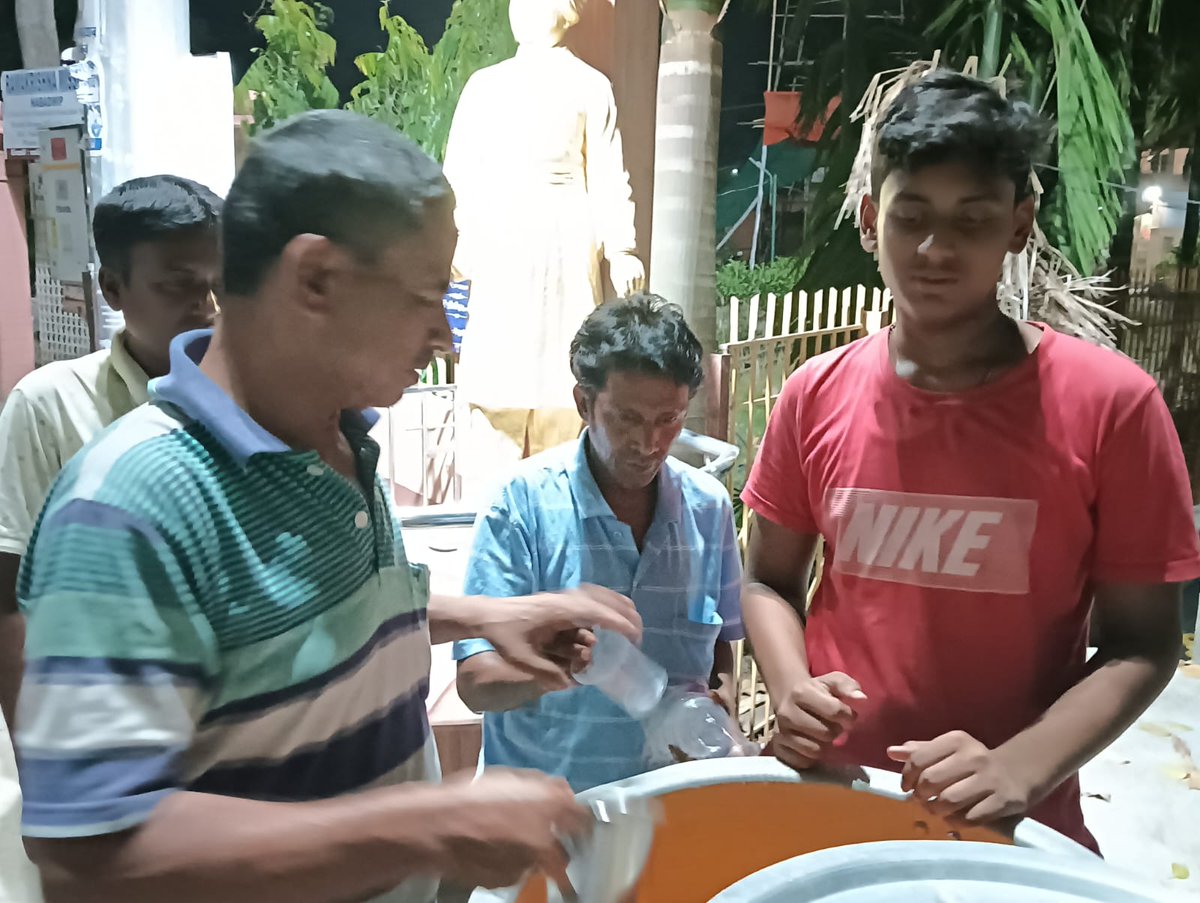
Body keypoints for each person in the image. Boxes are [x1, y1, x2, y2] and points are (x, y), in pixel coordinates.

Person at [13, 109, 642, 903]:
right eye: (427, 298)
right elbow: (86, 855)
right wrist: (427, 825)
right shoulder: (128, 506)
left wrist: (485, 616)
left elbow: (310, 625)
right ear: (314, 278)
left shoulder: (341, 438)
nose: (443, 338)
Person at [739, 71, 1200, 852]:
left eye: (972, 220)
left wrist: (1021, 767)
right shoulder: (814, 395)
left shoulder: (1112, 407)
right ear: (867, 219)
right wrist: (790, 688)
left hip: (1011, 831)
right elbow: (767, 581)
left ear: (1020, 224)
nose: (934, 249)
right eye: (910, 216)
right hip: (833, 810)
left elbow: (1143, 642)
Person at [454, 295, 744, 792]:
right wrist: (553, 666)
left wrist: (718, 712)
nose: (649, 443)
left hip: (671, 815)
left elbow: (719, 656)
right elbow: (476, 683)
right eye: (626, 418)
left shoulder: (708, 507)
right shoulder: (520, 505)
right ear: (584, 403)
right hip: (544, 820)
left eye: (669, 419)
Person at [0, 173, 222, 727]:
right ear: (113, 289)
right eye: (179, 285)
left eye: (224, 282)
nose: (210, 307)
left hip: (225, 720)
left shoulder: (263, 404)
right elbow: (9, 600)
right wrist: (40, 754)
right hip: (99, 720)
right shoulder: (51, 404)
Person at [443, 0, 644, 485]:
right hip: (499, 241)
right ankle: (489, 520)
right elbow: (457, 178)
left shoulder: (590, 86)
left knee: (562, 391)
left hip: (564, 243)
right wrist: (448, 254)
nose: (521, 10)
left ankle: (559, 513)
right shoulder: (485, 86)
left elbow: (607, 174)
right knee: (494, 395)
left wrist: (621, 247)